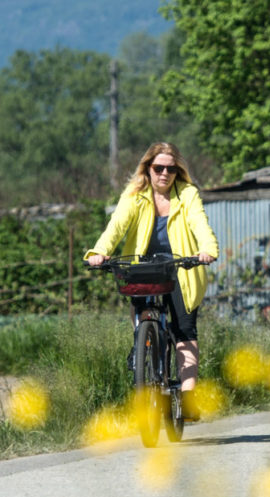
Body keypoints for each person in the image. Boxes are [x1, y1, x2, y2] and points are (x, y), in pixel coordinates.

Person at [85, 142, 218, 414]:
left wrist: (207, 250)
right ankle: (142, 348)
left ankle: (188, 396)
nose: (164, 174)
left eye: (170, 169)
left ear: (177, 171)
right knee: (142, 316)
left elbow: (199, 223)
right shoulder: (135, 194)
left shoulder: (187, 194)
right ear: (148, 169)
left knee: (184, 330)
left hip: (181, 267)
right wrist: (99, 252)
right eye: (158, 168)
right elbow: (117, 226)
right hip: (143, 268)